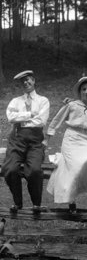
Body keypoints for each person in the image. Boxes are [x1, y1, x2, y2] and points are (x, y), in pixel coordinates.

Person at [46, 76, 87, 213]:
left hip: (86, 139)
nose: (86, 92)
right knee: (74, 166)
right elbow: (57, 119)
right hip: (71, 138)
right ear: (80, 91)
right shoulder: (71, 105)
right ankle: (71, 200)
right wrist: (49, 136)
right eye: (84, 89)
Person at [2, 70, 50, 213]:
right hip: (17, 140)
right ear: (20, 84)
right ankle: (17, 202)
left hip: (35, 142)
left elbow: (41, 120)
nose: (26, 82)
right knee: (9, 170)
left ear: (34, 81)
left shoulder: (43, 100)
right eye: (22, 81)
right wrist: (29, 114)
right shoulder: (15, 101)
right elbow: (11, 117)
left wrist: (21, 118)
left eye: (28, 79)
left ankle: (36, 203)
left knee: (34, 170)